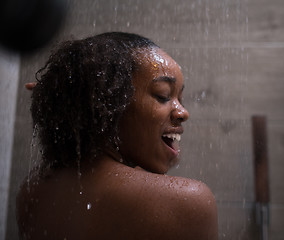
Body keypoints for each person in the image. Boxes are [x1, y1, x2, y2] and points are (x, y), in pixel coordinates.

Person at [16, 32, 218, 240]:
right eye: (163, 95)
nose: (183, 112)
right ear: (108, 103)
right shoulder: (189, 202)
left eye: (180, 99)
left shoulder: (34, 193)